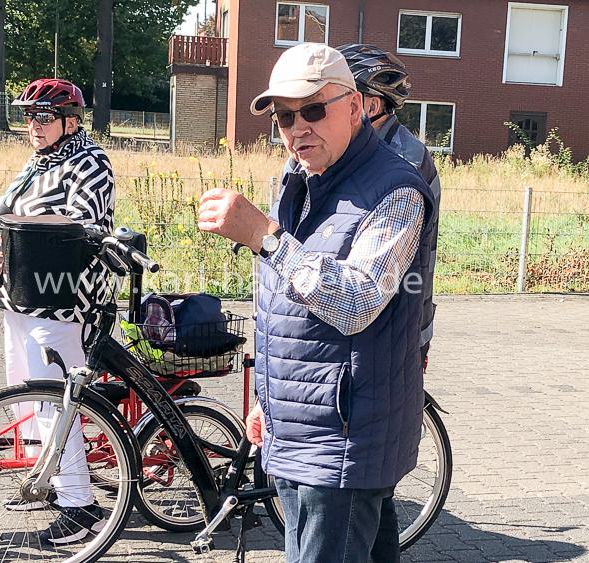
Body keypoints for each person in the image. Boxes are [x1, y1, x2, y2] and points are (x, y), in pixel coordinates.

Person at [197, 43, 437, 562]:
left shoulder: (397, 191)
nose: (296, 127)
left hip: (344, 439)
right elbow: (281, 311)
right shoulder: (298, 180)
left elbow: (356, 302)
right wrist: (269, 400)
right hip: (301, 430)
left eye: (312, 109)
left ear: (355, 108)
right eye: (284, 116)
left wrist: (266, 236)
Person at [0, 78, 115, 546]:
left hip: (60, 299)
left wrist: (10, 253)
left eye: (43, 116)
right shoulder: (39, 163)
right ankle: (47, 480)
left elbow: (76, 231)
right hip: (21, 297)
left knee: (55, 402)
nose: (33, 124)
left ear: (71, 122)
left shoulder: (89, 164)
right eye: (27, 116)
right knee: (26, 395)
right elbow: (4, 218)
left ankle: (80, 506)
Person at [284, 43, 441, 365]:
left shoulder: (403, 162)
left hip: (387, 318)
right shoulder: (324, 155)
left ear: (366, 106)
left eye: (319, 107)